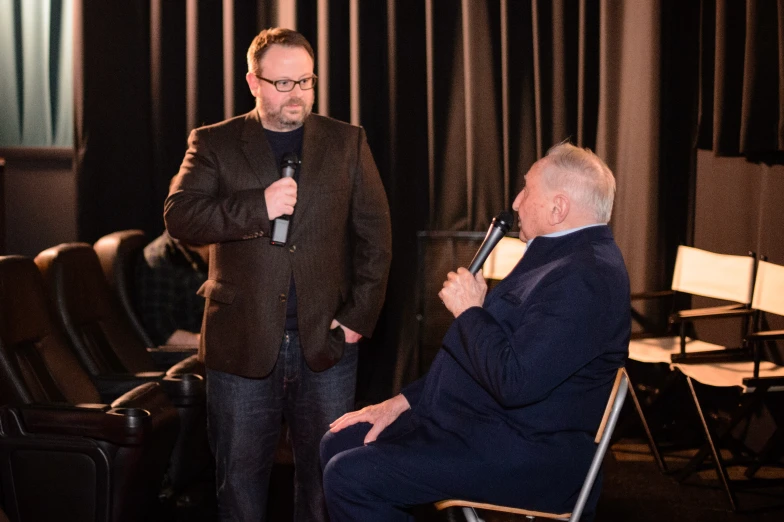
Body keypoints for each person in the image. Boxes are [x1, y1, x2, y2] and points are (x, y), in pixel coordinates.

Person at [320, 142, 630, 522]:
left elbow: (514, 381)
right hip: (482, 426)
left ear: (558, 207)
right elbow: (479, 359)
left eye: (527, 190)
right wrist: (405, 401)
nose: (516, 203)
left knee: (349, 477)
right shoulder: (560, 256)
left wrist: (469, 312)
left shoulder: (588, 277)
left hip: (526, 454)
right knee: (339, 441)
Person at [164, 28, 392, 522]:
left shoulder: (346, 141)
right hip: (240, 343)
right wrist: (257, 206)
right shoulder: (214, 142)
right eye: (283, 83)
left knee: (324, 481)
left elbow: (376, 236)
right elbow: (179, 216)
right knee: (240, 485)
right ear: (254, 82)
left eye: (306, 82)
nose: (297, 95)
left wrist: (357, 317)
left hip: (326, 345)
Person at [135, 230, 209, 347]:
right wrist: (214, 345)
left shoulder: (221, 248)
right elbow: (161, 331)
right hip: (191, 353)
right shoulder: (159, 259)